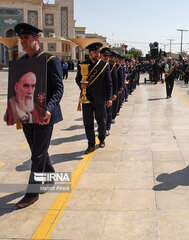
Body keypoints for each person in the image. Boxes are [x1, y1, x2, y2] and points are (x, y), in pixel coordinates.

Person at [4, 23, 63, 209]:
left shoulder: (49, 61)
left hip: (44, 116)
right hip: (26, 116)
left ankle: (32, 193)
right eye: (21, 38)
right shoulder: (21, 62)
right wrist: (9, 110)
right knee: (38, 151)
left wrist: (49, 109)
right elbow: (15, 91)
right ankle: (50, 175)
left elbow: (58, 89)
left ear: (35, 39)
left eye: (26, 38)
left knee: (37, 154)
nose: (22, 42)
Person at [75, 42, 112, 154]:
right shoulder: (82, 64)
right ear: (89, 53)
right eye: (95, 52)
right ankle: (90, 144)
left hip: (100, 99)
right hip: (86, 98)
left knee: (101, 121)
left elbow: (109, 83)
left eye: (98, 52)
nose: (97, 54)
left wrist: (109, 98)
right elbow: (78, 79)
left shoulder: (104, 65)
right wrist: (80, 84)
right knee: (88, 123)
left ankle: (101, 139)